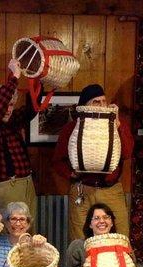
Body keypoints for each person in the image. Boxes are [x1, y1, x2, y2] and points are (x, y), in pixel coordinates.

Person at [53, 84, 134, 240]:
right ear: (85, 106)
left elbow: (127, 153)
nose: (102, 105)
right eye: (96, 102)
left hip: (111, 190)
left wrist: (118, 126)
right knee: (79, 238)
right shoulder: (72, 129)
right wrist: (72, 174)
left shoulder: (117, 125)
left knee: (121, 236)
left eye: (103, 101)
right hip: (82, 190)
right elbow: (58, 161)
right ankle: (81, 265)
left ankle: (123, 264)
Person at [0, 59, 38, 228]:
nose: (8, 109)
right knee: (7, 235)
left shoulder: (13, 120)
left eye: (12, 105)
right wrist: (15, 76)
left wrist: (38, 80)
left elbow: (33, 108)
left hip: (25, 183)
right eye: (6, 105)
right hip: (3, 187)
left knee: (28, 234)